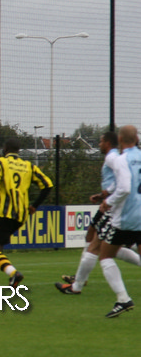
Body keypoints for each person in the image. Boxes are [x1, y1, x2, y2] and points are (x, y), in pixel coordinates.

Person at [55, 131, 141, 295]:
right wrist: (103, 195)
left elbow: (124, 181)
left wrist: (108, 197)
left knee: (96, 245)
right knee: (103, 245)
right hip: (114, 205)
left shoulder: (113, 157)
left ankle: (78, 285)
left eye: (101, 142)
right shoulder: (117, 157)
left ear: (108, 143)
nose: (99, 144)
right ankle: (78, 282)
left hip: (114, 208)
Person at [0, 137, 53, 289]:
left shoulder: (1, 163)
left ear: (5, 149)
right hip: (21, 214)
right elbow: (48, 185)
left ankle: (13, 273)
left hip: (5, 212)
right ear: (18, 150)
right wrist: (35, 205)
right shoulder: (28, 166)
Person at [95, 125, 141, 317]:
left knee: (105, 255)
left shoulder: (122, 159)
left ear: (120, 139)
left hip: (127, 217)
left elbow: (124, 188)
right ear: (137, 139)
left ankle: (123, 299)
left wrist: (108, 201)